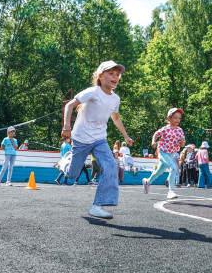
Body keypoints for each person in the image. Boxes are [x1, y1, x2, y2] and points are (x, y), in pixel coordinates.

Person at [61, 60, 132, 219]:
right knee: (72, 175)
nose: (115, 77)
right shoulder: (92, 92)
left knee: (111, 166)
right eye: (111, 74)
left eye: (117, 75)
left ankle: (97, 206)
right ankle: (65, 161)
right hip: (81, 138)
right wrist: (66, 127)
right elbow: (69, 105)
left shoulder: (115, 99)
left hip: (100, 139)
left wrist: (126, 136)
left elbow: (116, 119)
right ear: (100, 76)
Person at [142, 108, 185, 199]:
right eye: (175, 118)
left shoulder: (180, 130)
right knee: (173, 168)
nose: (178, 120)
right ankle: (171, 191)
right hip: (162, 152)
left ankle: (147, 182)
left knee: (159, 171)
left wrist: (182, 142)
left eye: (179, 118)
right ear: (169, 119)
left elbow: (182, 144)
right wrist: (153, 142)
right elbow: (156, 134)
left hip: (171, 154)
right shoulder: (165, 129)